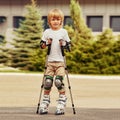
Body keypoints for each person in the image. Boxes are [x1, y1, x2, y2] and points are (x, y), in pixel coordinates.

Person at [39, 8, 71, 115]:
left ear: (61, 20)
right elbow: (41, 46)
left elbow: (69, 47)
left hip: (60, 62)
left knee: (58, 81)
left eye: (58, 19)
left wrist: (64, 44)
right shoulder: (47, 32)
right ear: (49, 21)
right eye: (53, 19)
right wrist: (46, 43)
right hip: (50, 63)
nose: (56, 21)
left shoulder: (63, 32)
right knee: (47, 82)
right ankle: (45, 102)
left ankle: (62, 101)